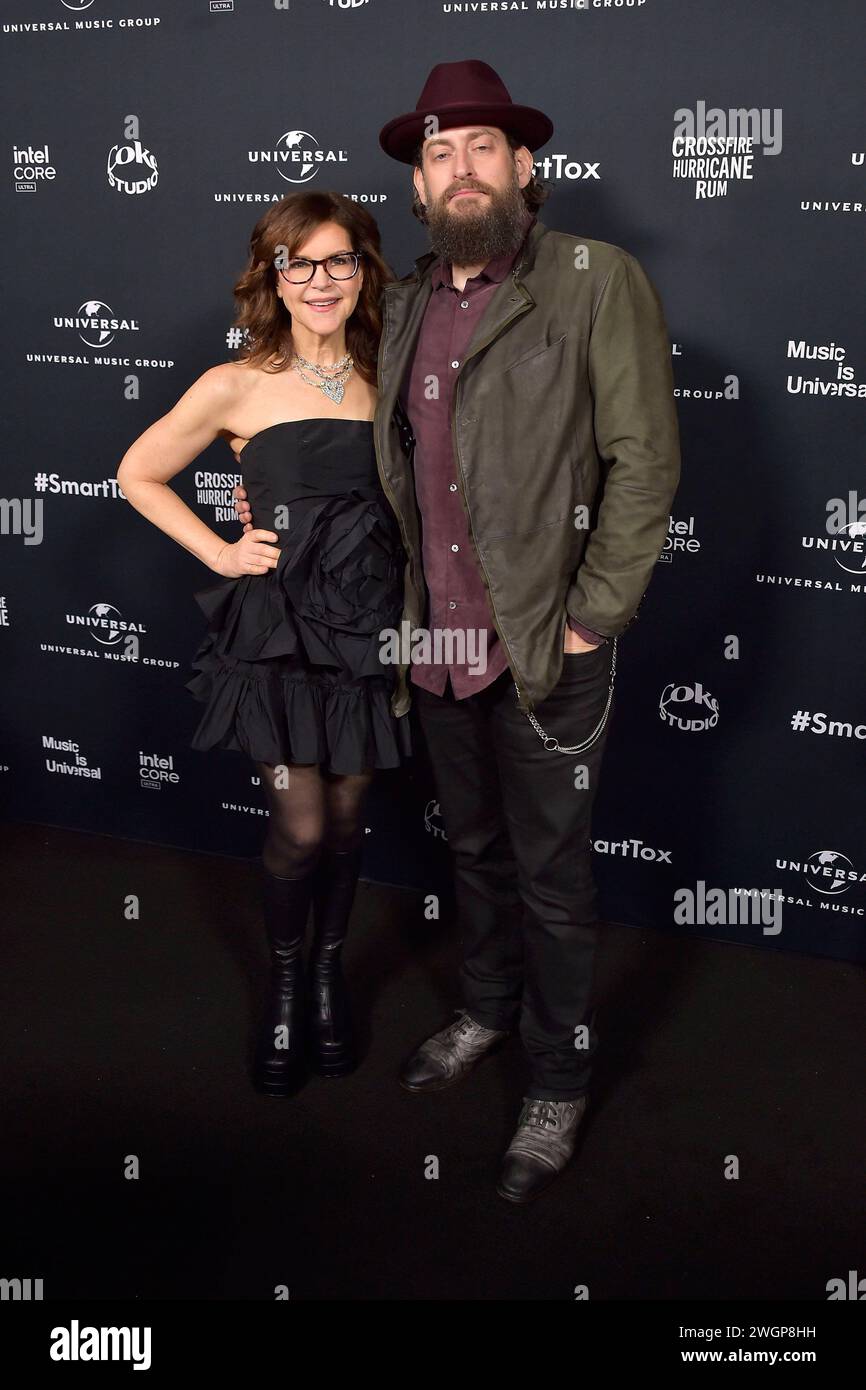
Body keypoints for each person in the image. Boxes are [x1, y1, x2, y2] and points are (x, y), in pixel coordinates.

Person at [235, 60, 681, 1202]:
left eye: (482, 147)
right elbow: (359, 448)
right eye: (439, 153)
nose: (461, 168)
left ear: (522, 166)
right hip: (430, 644)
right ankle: (484, 1012)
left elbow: (641, 462)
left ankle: (556, 1079)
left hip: (546, 644)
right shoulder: (415, 300)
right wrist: (262, 497)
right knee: (471, 852)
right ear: (421, 184)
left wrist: (592, 615)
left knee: (552, 877)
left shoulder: (593, 280)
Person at [116, 191, 412, 1099]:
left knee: (352, 824)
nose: (320, 281)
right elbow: (138, 472)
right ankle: (287, 984)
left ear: (364, 270)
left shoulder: (391, 374)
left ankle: (329, 978)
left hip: (370, 633)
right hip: (282, 636)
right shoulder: (235, 382)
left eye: (338, 261)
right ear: (273, 278)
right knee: (302, 825)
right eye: (300, 263)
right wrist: (222, 549)